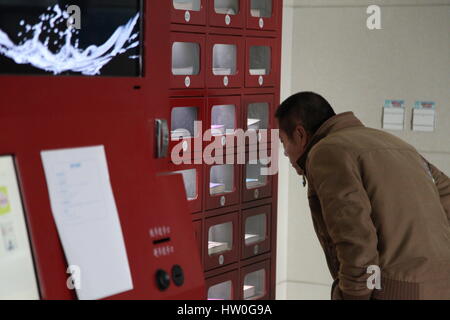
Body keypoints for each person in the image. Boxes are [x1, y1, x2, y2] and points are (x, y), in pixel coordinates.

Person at [275, 91, 450, 300]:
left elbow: (355, 239)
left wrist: (352, 295)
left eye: (283, 142)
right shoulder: (395, 143)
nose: (285, 153)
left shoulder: (326, 152)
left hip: (393, 291)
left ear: (300, 134)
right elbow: (446, 193)